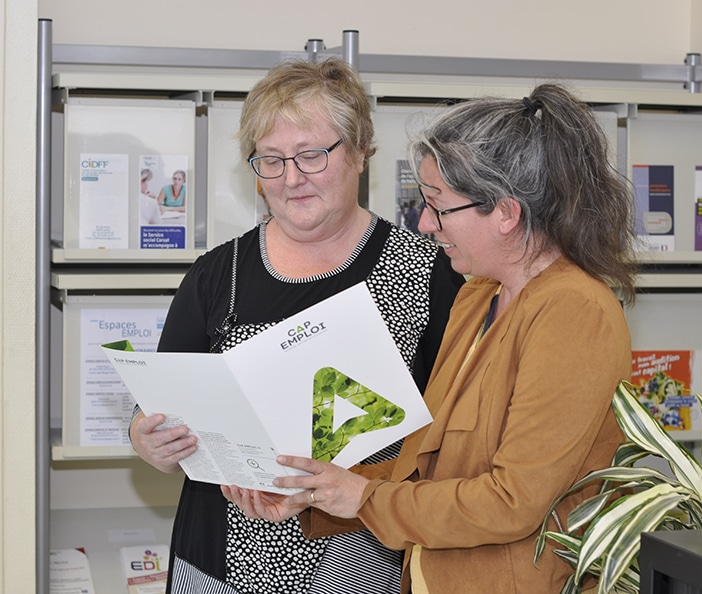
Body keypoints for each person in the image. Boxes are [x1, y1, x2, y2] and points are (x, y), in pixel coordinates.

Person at [227, 84, 637, 593]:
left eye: (439, 206)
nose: (425, 224)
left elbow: (513, 502)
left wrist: (361, 498)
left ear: (506, 213)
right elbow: (428, 469)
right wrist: (317, 493)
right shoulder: (477, 297)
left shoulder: (574, 311)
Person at [128, 58, 465, 594]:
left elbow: (459, 435)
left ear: (359, 152)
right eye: (271, 160)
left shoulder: (428, 271)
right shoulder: (220, 273)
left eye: (311, 155)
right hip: (217, 562)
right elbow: (156, 408)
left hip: (358, 562)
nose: (291, 179)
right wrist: (148, 440)